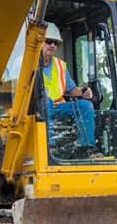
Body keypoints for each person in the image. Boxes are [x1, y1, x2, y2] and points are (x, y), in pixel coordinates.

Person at [37, 22, 96, 151]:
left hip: (58, 107)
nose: (52, 45)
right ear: (40, 41)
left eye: (56, 43)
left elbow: (71, 89)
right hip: (35, 109)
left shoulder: (60, 65)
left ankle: (85, 147)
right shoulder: (26, 63)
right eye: (49, 41)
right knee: (45, 101)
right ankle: (49, 147)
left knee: (86, 106)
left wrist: (83, 91)